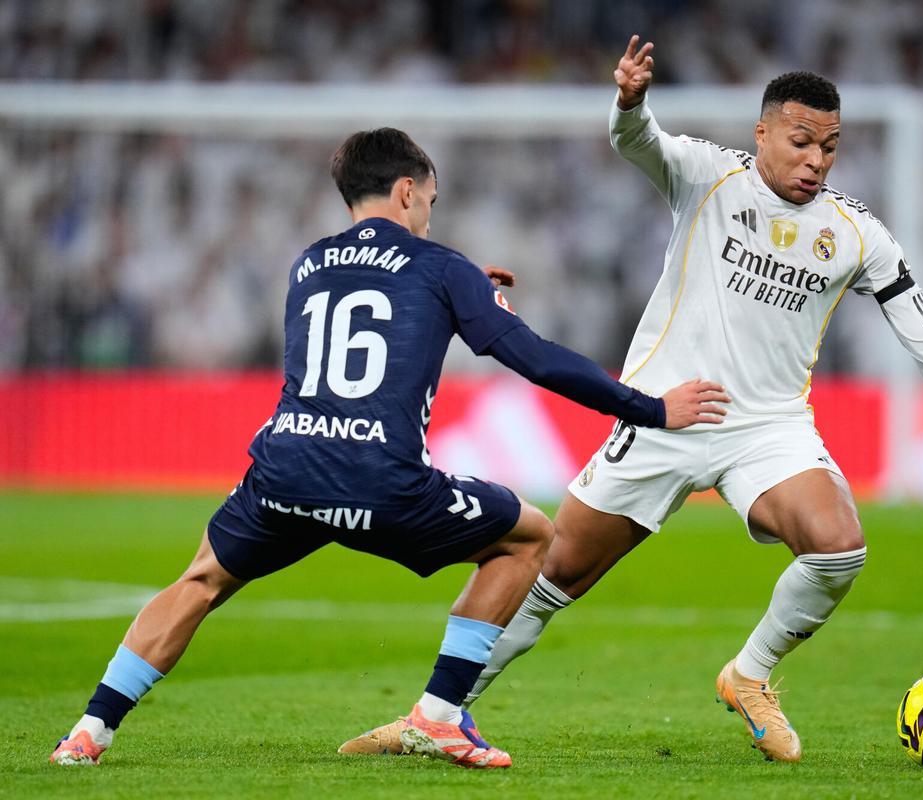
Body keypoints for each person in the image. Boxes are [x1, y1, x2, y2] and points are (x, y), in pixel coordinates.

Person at [463, 36, 923, 763]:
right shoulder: (706, 176)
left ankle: (750, 674)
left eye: (830, 146)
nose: (816, 160)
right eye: (801, 142)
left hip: (768, 426)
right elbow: (639, 142)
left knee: (839, 546)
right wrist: (629, 103)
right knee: (558, 572)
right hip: (665, 412)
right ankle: (442, 708)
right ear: (762, 134)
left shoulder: (857, 234)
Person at [49, 127, 729, 769]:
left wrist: (459, 286)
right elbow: (533, 358)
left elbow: (376, 303)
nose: (430, 212)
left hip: (284, 470)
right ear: (407, 191)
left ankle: (88, 732)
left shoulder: (309, 263)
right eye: (430, 200)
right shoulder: (440, 267)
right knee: (529, 537)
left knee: (200, 581)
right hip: (379, 480)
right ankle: (438, 713)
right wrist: (650, 408)